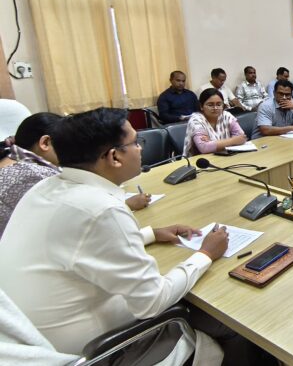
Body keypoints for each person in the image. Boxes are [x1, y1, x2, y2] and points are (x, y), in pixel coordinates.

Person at [0, 108, 232, 358]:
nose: (140, 149)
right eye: (136, 142)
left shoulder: (47, 187)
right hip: (96, 351)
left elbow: (78, 248)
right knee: (225, 321)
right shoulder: (101, 208)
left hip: (33, 336)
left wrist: (151, 234)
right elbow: (152, 302)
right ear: (114, 157)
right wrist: (206, 254)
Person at [0, 113, 150, 237]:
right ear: (45, 143)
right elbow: (73, 225)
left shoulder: (13, 161)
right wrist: (125, 205)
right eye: (65, 145)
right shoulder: (35, 175)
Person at [183, 89, 247, 156]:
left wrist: (212, 143)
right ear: (201, 106)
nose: (215, 108)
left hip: (224, 155)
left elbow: (241, 137)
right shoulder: (196, 120)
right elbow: (204, 147)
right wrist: (233, 140)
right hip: (200, 160)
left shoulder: (226, 116)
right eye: (210, 105)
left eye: (219, 104)